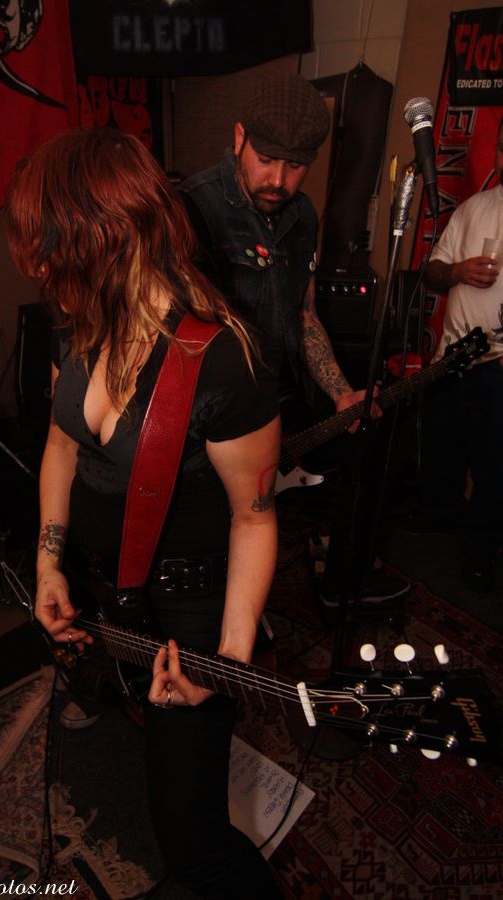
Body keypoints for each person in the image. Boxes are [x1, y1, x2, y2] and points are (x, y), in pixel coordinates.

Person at [5, 127, 283, 900]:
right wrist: (49, 563)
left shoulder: (223, 362)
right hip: (110, 591)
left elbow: (256, 519)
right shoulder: (81, 327)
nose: (38, 270)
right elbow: (61, 446)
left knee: (193, 838)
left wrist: (226, 663)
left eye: (49, 252)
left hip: (192, 615)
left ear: (104, 237)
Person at [179, 74, 408, 606]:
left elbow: (303, 315)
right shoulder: (192, 209)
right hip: (217, 420)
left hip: (283, 401)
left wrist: (340, 393)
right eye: (266, 160)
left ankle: (343, 582)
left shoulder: (302, 215)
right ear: (239, 137)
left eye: (297, 165)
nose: (278, 180)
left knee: (372, 445)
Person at [417, 117, 503, 592]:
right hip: (452, 358)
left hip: (498, 365)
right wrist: (457, 271)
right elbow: (432, 272)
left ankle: (480, 552)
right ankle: (437, 521)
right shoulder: (473, 208)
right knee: (442, 447)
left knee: (493, 464)